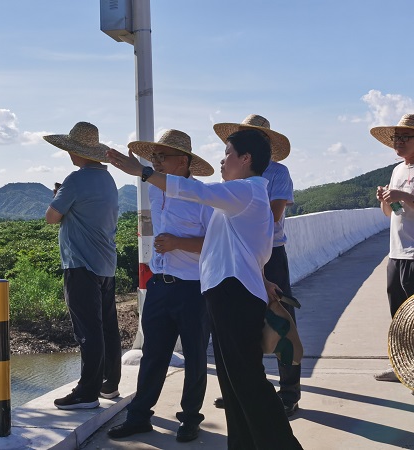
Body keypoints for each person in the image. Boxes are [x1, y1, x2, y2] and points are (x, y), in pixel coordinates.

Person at [107, 129, 303, 449]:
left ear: (245, 159)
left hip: (235, 296)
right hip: (228, 293)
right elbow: (246, 247)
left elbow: (195, 191)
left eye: (227, 154)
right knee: (234, 383)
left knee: (248, 382)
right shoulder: (243, 198)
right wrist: (263, 279)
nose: (222, 161)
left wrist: (143, 171)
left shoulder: (246, 190)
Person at [106, 130, 214, 443]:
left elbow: (216, 244)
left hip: (193, 289)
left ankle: (190, 419)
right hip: (160, 286)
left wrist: (179, 243)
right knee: (153, 355)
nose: (156, 162)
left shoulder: (203, 197)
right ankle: (139, 417)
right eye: (154, 157)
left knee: (195, 357)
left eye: (162, 156)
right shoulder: (155, 191)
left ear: (184, 161)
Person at [212, 114, 300, 416]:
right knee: (243, 324)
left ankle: (289, 392)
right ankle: (244, 388)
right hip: (239, 256)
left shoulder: (278, 173)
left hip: (270, 253)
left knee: (280, 319)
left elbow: (273, 214)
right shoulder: (234, 176)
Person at [43, 121, 122, 409]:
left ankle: (86, 392)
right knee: (107, 327)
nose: (68, 154)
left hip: (80, 264)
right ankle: (109, 384)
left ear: (78, 152)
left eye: (70, 149)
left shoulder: (75, 180)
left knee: (88, 331)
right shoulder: (108, 180)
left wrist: (58, 197)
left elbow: (51, 217)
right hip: (106, 264)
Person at [371, 113, 414, 383]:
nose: (398, 142)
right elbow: (390, 213)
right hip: (396, 253)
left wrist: (402, 195)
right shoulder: (398, 170)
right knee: (398, 315)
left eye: (404, 137)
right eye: (396, 137)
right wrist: (385, 199)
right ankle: (402, 365)